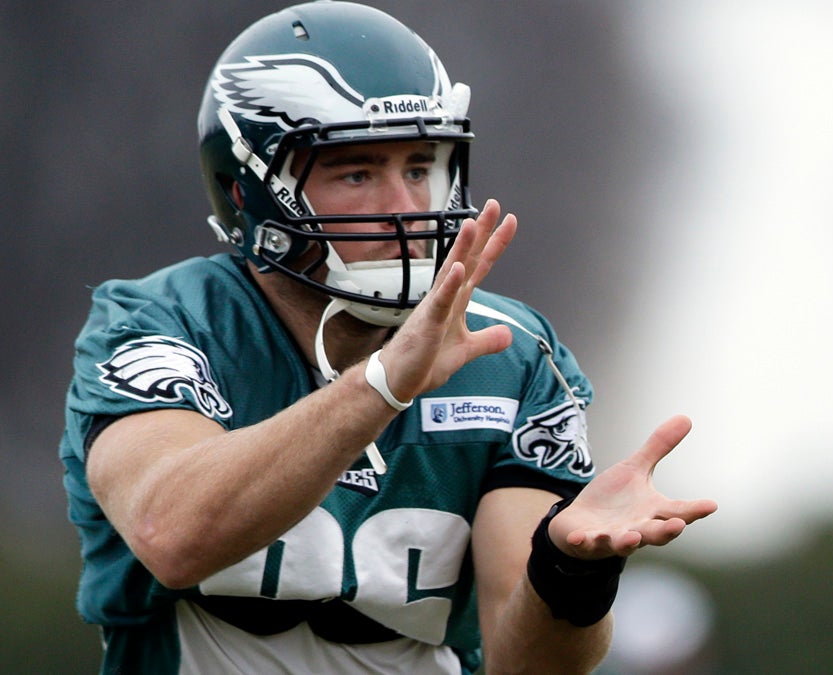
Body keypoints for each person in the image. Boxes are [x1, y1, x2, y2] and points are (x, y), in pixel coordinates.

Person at [58, 2, 717, 673]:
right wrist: (381, 385)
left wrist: (569, 570)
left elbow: (528, 663)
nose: (404, 205)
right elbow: (171, 532)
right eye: (357, 171)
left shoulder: (508, 356)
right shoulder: (163, 325)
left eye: (419, 166)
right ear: (245, 188)